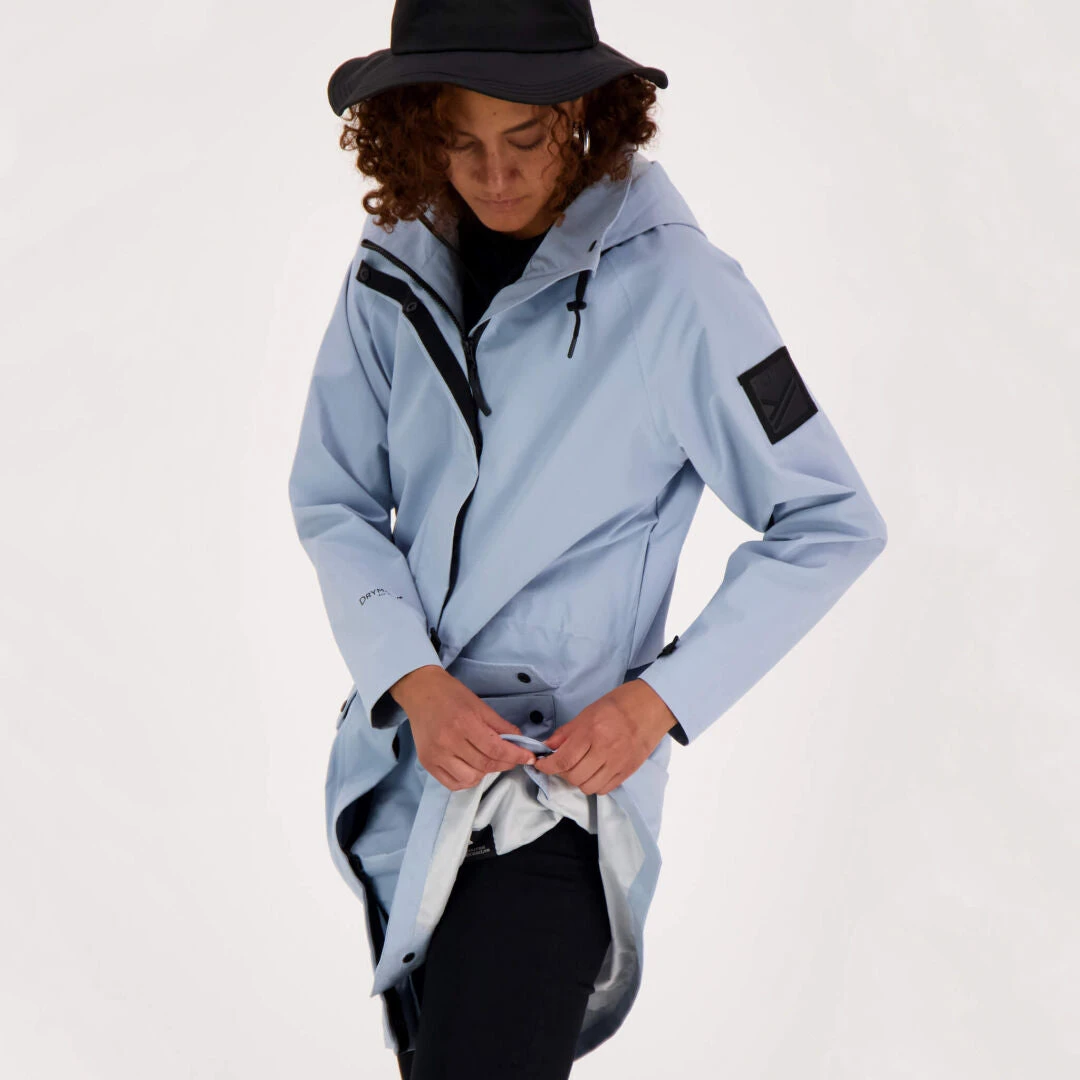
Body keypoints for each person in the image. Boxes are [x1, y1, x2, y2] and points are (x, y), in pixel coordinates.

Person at [287, 2, 888, 1078]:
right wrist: (411, 679)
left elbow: (829, 517)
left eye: (526, 138)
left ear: (586, 114)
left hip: (555, 799)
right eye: (461, 143)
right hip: (410, 782)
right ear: (415, 131)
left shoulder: (678, 289)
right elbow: (336, 496)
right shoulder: (391, 262)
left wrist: (659, 701)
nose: (496, 176)